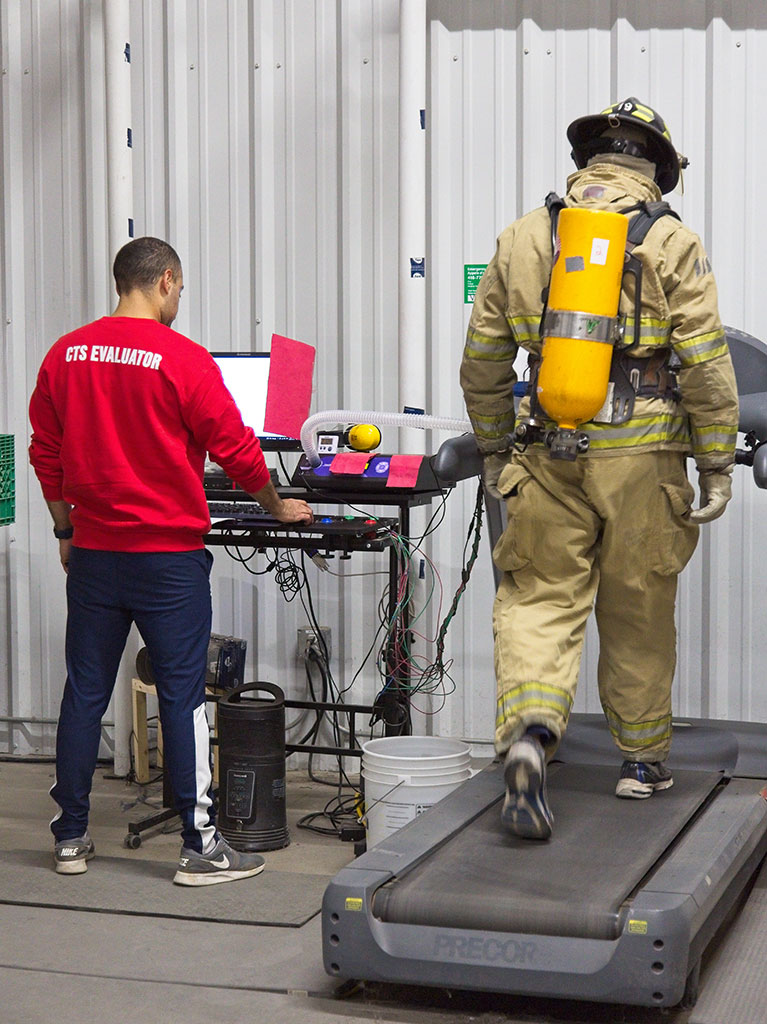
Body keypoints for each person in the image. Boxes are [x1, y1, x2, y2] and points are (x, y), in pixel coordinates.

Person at [460, 98, 739, 841]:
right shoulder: (672, 241)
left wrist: (493, 449)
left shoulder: (523, 236)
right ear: (656, 171)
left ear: (588, 160)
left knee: (538, 598)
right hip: (643, 460)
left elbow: (484, 357)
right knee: (636, 609)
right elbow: (706, 363)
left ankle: (529, 733)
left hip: (546, 450)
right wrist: (715, 461)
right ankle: (641, 764)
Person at [28, 236, 313, 882]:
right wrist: (276, 505)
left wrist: (65, 531)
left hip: (96, 554)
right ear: (165, 281)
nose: (179, 298)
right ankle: (200, 846)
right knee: (183, 698)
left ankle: (70, 838)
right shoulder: (181, 359)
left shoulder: (64, 354)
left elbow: (46, 452)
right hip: (167, 561)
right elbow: (236, 450)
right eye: (179, 289)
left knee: (84, 692)